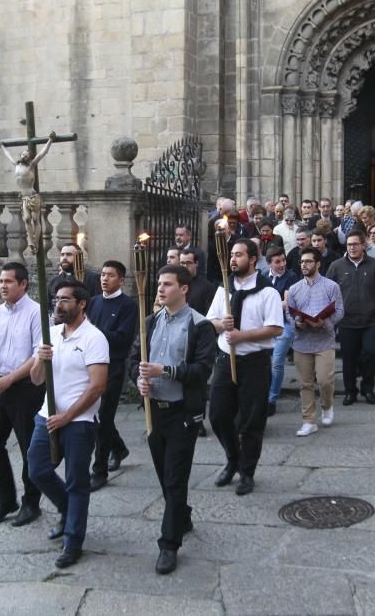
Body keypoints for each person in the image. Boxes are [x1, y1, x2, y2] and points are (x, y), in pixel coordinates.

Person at [130, 265, 218, 575]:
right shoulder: (150, 322)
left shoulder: (200, 325)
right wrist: (138, 381)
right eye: (159, 283)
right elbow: (134, 361)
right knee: (162, 473)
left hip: (183, 412)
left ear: (184, 289)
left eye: (167, 284)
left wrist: (165, 371)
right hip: (155, 411)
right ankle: (182, 515)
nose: (160, 289)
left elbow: (201, 371)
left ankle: (169, 545)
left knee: (174, 478)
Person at [28, 281, 109, 569]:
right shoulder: (51, 334)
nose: (58, 304)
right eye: (56, 299)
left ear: (82, 304)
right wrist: (41, 359)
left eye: (65, 300)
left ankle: (73, 540)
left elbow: (97, 387)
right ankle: (66, 509)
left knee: (77, 481)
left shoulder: (94, 338)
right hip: (47, 414)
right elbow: (37, 379)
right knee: (36, 469)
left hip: (80, 421)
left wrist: (68, 416)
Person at [206, 240, 284, 495]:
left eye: (238, 255)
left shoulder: (267, 292)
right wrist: (221, 324)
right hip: (225, 360)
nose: (233, 259)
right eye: (231, 255)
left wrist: (243, 336)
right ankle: (233, 458)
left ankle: (247, 472)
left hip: (254, 362)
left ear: (252, 259)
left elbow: (275, 328)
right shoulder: (224, 289)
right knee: (218, 415)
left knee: (252, 421)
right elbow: (210, 322)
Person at [0, 262, 45, 527]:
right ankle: (5, 499)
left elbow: (38, 355)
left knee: (29, 446)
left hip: (25, 387)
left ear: (23, 284)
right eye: (1, 282)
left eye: (8, 281)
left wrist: (10, 379)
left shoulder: (36, 313)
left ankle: (31, 502)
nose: (3, 286)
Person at [86, 260, 138, 491]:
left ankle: (100, 470)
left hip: (114, 366)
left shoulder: (128, 305)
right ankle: (118, 448)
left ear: (121, 280)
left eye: (110, 275)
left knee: (103, 418)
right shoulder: (94, 302)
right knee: (97, 416)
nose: (104, 279)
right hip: (91, 365)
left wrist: (94, 332)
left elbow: (123, 339)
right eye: (103, 274)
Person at [326, 230, 375, 405]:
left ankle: (368, 388)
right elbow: (327, 289)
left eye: (356, 244)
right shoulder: (336, 266)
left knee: (370, 353)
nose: (352, 247)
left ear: (363, 245)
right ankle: (350, 391)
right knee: (349, 358)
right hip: (347, 321)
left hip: (371, 320)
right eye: (349, 244)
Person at [289, 248, 344, 436]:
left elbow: (339, 311)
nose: (304, 265)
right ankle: (309, 420)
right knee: (305, 383)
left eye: (308, 261)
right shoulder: (295, 289)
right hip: (302, 341)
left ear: (318, 264)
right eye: (302, 262)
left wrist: (325, 323)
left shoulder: (331, 286)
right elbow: (289, 313)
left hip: (324, 340)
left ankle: (327, 406)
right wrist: (297, 323)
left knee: (325, 380)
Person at [263, 246, 299, 417]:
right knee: (264, 362)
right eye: (277, 262)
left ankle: (271, 399)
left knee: (277, 362)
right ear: (269, 263)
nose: (282, 264)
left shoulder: (291, 277)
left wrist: (267, 305)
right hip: (265, 324)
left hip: (285, 324)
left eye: (283, 260)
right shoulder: (263, 277)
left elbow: (287, 303)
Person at [181, 247, 216, 316]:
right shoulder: (175, 284)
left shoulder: (207, 287)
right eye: (182, 263)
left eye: (189, 263)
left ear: (196, 263)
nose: (185, 266)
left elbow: (209, 314)